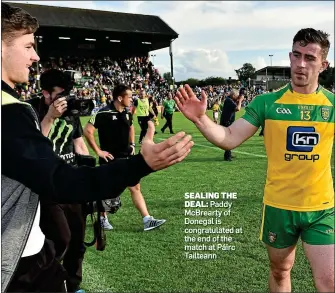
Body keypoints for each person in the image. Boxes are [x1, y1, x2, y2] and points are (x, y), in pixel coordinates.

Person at [1, 3, 193, 292]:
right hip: (18, 264)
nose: (35, 55)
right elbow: (59, 181)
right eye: (28, 46)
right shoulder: (10, 111)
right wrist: (142, 164)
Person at [174, 28, 334, 293]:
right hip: (279, 206)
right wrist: (200, 119)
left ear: (323, 65)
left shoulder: (332, 105)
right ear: (290, 57)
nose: (301, 64)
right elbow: (229, 137)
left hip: (322, 208)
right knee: (280, 271)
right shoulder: (266, 103)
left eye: (310, 57)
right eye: (297, 55)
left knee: (329, 282)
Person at [28, 69, 89, 293]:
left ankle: (73, 286)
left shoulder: (71, 111)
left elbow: (79, 144)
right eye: (59, 95)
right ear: (45, 93)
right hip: (46, 186)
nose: (65, 100)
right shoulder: (30, 110)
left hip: (72, 183)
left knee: (77, 241)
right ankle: (43, 282)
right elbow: (33, 146)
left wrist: (89, 173)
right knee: (60, 239)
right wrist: (50, 117)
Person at [84, 84, 166, 231]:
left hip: (126, 157)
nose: (132, 99)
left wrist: (133, 144)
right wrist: (99, 151)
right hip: (109, 159)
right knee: (105, 188)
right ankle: (102, 218)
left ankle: (147, 220)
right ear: (120, 98)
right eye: (129, 96)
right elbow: (88, 131)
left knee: (135, 186)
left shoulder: (127, 112)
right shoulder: (103, 113)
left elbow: (131, 126)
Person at [219, 89, 244, 161]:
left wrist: (238, 99)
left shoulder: (229, 100)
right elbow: (238, 108)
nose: (237, 97)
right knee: (228, 139)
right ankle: (227, 156)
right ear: (233, 95)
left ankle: (228, 153)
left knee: (229, 138)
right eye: (236, 96)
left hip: (227, 121)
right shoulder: (229, 101)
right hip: (227, 122)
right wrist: (240, 101)